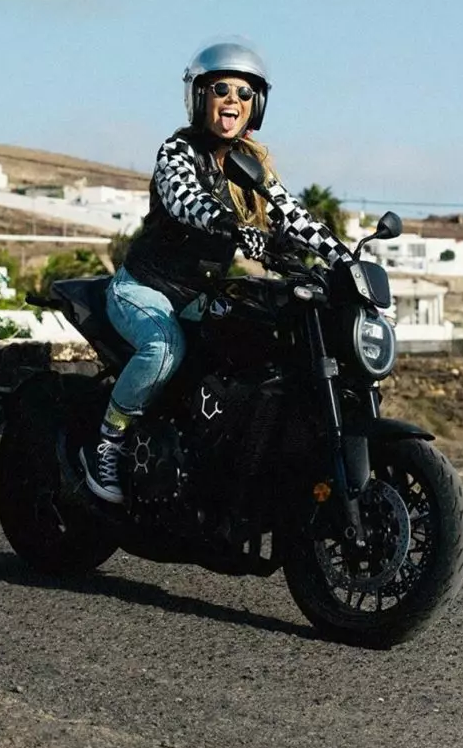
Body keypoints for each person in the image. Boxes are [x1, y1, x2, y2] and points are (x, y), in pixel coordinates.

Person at [79, 40, 353, 503]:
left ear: (257, 105)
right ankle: (108, 442)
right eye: (221, 89)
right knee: (165, 347)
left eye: (245, 93)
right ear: (199, 96)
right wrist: (233, 226)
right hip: (145, 288)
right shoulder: (177, 150)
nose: (233, 100)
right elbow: (186, 201)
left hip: (199, 295)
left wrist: (345, 257)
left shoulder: (251, 164)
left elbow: (292, 215)